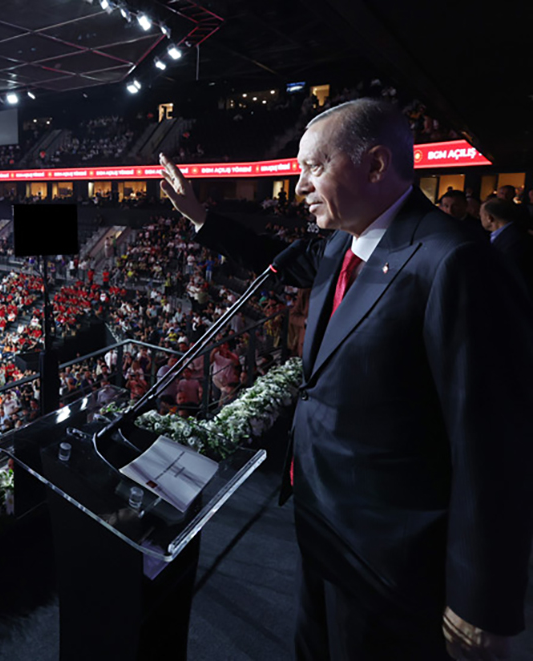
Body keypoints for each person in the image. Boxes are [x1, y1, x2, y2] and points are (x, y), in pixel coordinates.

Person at [159, 97, 533, 660]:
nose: (299, 187)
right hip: (322, 526)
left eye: (314, 167)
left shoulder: (453, 263)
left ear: (376, 165)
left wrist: (482, 600)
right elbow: (271, 255)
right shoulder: (342, 242)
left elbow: (490, 444)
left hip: (391, 557)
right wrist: (199, 218)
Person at [479, 197, 533, 295]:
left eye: (481, 215)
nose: (479, 218)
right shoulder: (516, 233)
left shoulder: (514, 241)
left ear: (489, 218)